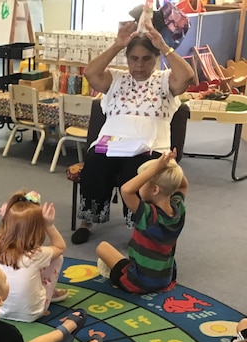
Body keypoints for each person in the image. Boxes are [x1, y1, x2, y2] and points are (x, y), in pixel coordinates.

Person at [72, 17, 195, 245]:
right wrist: (118, 44)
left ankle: (139, 227)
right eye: (134, 58)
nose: (139, 65)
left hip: (150, 147)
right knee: (95, 163)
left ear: (156, 59)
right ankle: (87, 221)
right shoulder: (117, 79)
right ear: (127, 59)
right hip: (111, 144)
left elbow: (187, 76)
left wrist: (165, 47)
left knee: (137, 172)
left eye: (147, 59)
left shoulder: (166, 81)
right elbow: (90, 73)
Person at [95, 149, 188, 294]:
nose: (138, 187)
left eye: (142, 181)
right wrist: (171, 164)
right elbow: (183, 185)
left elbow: (126, 190)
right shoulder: (179, 209)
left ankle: (117, 277)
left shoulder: (148, 215)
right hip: (166, 279)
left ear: (155, 189)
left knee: (102, 247)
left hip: (138, 281)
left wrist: (157, 167)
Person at [0, 191, 68, 322]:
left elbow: (2, 232)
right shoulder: (37, 254)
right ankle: (48, 292)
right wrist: (49, 225)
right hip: (32, 313)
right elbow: (60, 247)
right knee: (57, 257)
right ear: (37, 230)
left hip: (0, 309)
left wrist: (6, 218)